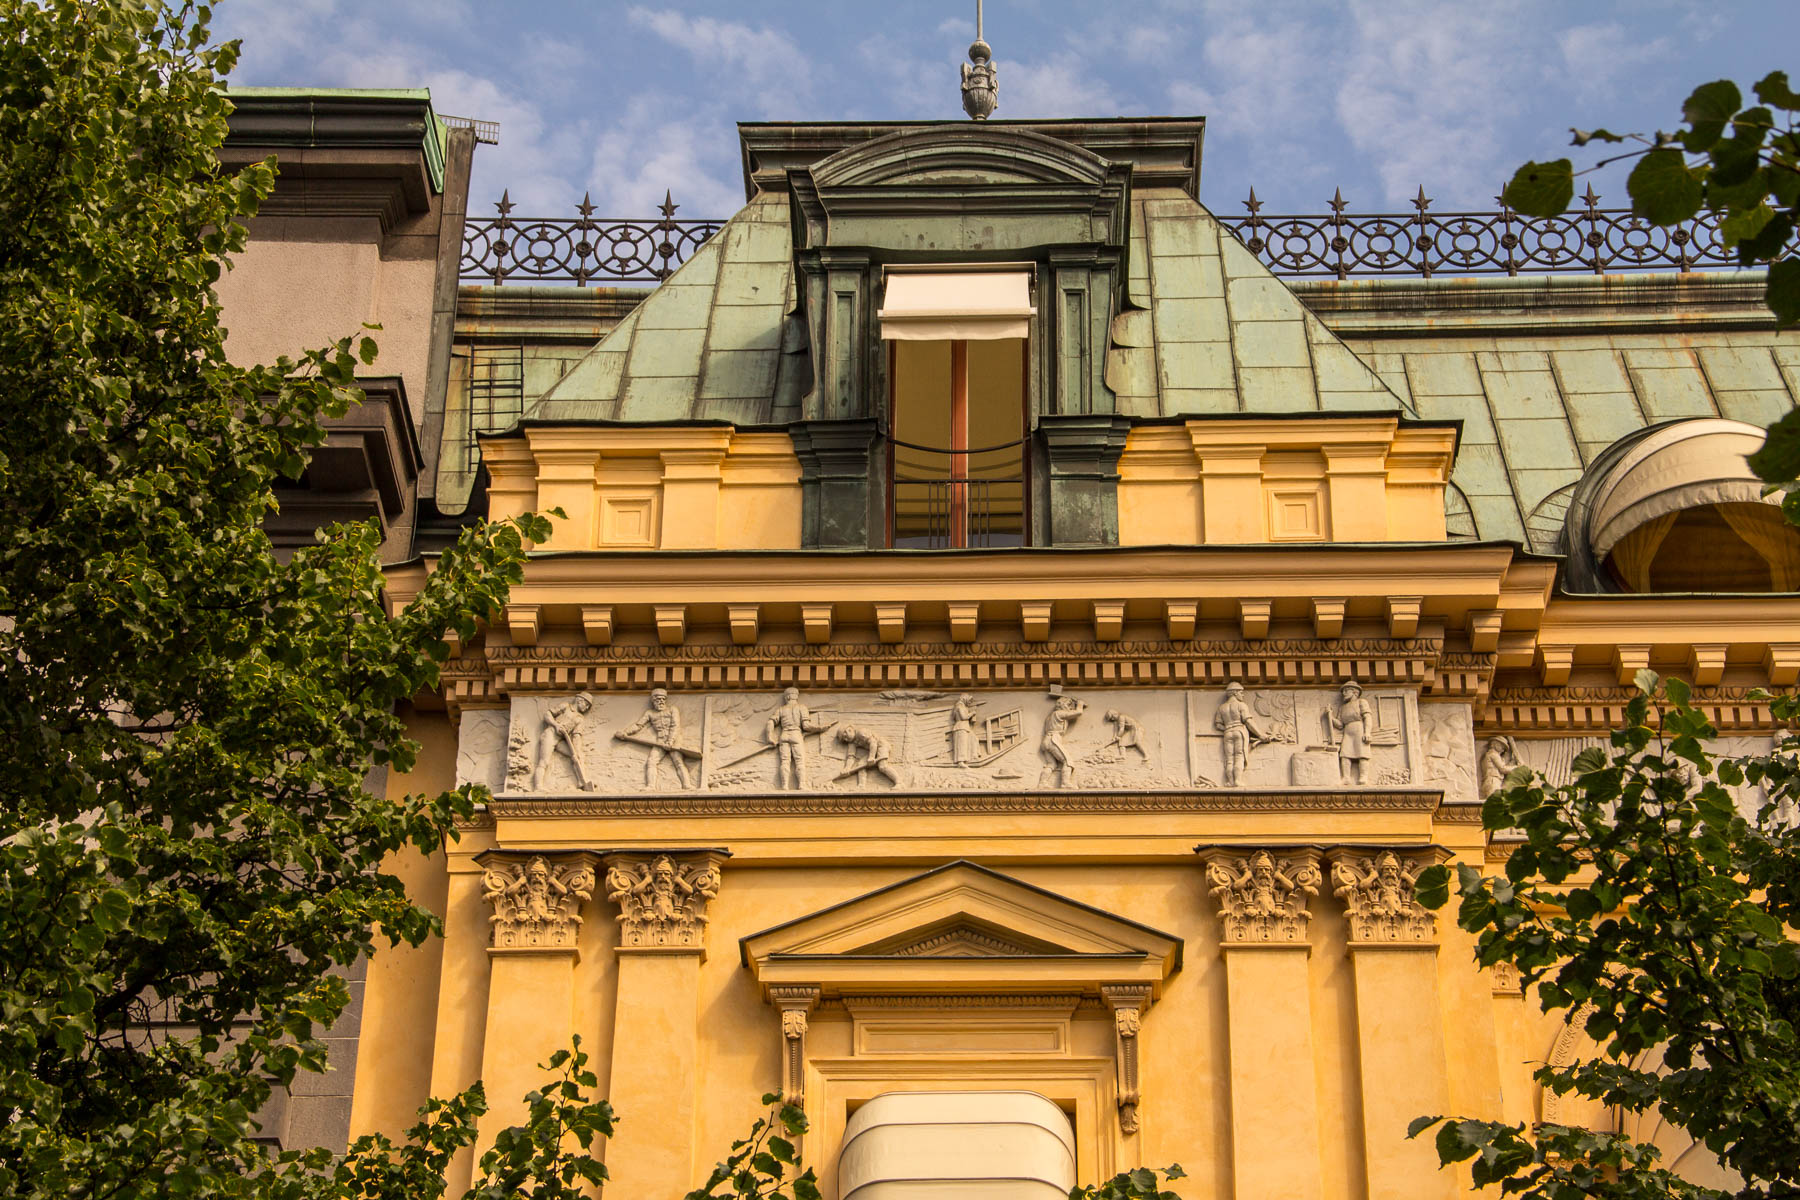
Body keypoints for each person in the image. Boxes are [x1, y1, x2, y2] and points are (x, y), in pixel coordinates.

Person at [615, 687, 693, 788]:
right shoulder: (650, 713)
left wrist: (670, 741)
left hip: (674, 740)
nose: (661, 701)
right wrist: (625, 733)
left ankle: (687, 785)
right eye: (658, 699)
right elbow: (638, 725)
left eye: (663, 699)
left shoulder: (672, 709)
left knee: (678, 761)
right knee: (651, 762)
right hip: (660, 741)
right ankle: (651, 786)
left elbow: (675, 726)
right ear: (653, 701)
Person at [765, 687, 829, 790]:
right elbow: (806, 726)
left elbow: (770, 722)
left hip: (784, 735)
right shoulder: (801, 708)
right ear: (796, 696)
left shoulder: (781, 709)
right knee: (800, 761)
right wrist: (820, 728)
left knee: (785, 761)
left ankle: (784, 786)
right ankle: (801, 785)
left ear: (787, 697)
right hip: (796, 735)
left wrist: (769, 737)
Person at [1213, 682, 1272, 786]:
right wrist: (1260, 735)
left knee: (1229, 758)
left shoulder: (1222, 707)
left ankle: (1230, 781)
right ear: (1235, 693)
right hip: (1239, 732)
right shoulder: (1241, 705)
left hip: (1227, 733)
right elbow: (1248, 721)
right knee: (1239, 756)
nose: (1243, 695)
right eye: (1241, 692)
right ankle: (1237, 780)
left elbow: (1218, 725)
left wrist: (1228, 728)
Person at [534, 692, 595, 791]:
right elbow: (547, 714)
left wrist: (577, 751)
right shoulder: (566, 706)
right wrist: (556, 725)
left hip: (562, 740)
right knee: (544, 761)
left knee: (577, 757)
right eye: (586, 704)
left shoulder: (580, 719)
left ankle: (582, 781)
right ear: (580, 700)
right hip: (550, 735)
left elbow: (576, 736)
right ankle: (538, 786)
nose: (587, 708)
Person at [1325, 680, 1373, 786]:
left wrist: (1367, 732)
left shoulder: (1361, 702)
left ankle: (1363, 777)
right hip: (1347, 732)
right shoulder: (1343, 707)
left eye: (1346, 690)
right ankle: (1346, 777)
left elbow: (1367, 717)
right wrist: (1330, 716)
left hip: (1359, 729)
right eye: (1343, 691)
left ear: (1355, 692)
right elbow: (1340, 725)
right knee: (1345, 754)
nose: (1344, 693)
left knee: (1362, 753)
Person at [1040, 693, 1087, 788]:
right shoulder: (1058, 713)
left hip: (1046, 741)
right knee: (1068, 761)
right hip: (1053, 739)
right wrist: (1080, 704)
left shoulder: (1049, 717)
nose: (1070, 708)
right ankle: (1065, 783)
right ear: (1063, 705)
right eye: (1068, 705)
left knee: (1051, 764)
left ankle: (1042, 783)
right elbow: (1078, 712)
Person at [836, 724, 901, 786]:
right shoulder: (851, 743)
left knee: (882, 766)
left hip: (882, 746)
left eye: (845, 737)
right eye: (844, 740)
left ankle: (899, 783)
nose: (846, 740)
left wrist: (871, 757)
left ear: (849, 730)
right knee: (860, 765)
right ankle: (861, 786)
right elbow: (850, 757)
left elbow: (873, 742)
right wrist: (847, 768)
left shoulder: (861, 732)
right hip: (873, 751)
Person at [948, 693, 980, 765]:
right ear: (965, 698)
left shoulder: (963, 706)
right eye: (969, 701)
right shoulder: (959, 705)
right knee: (962, 744)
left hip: (965, 727)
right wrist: (972, 713)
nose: (969, 703)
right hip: (960, 727)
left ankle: (973, 756)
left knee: (974, 739)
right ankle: (961, 761)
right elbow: (964, 717)